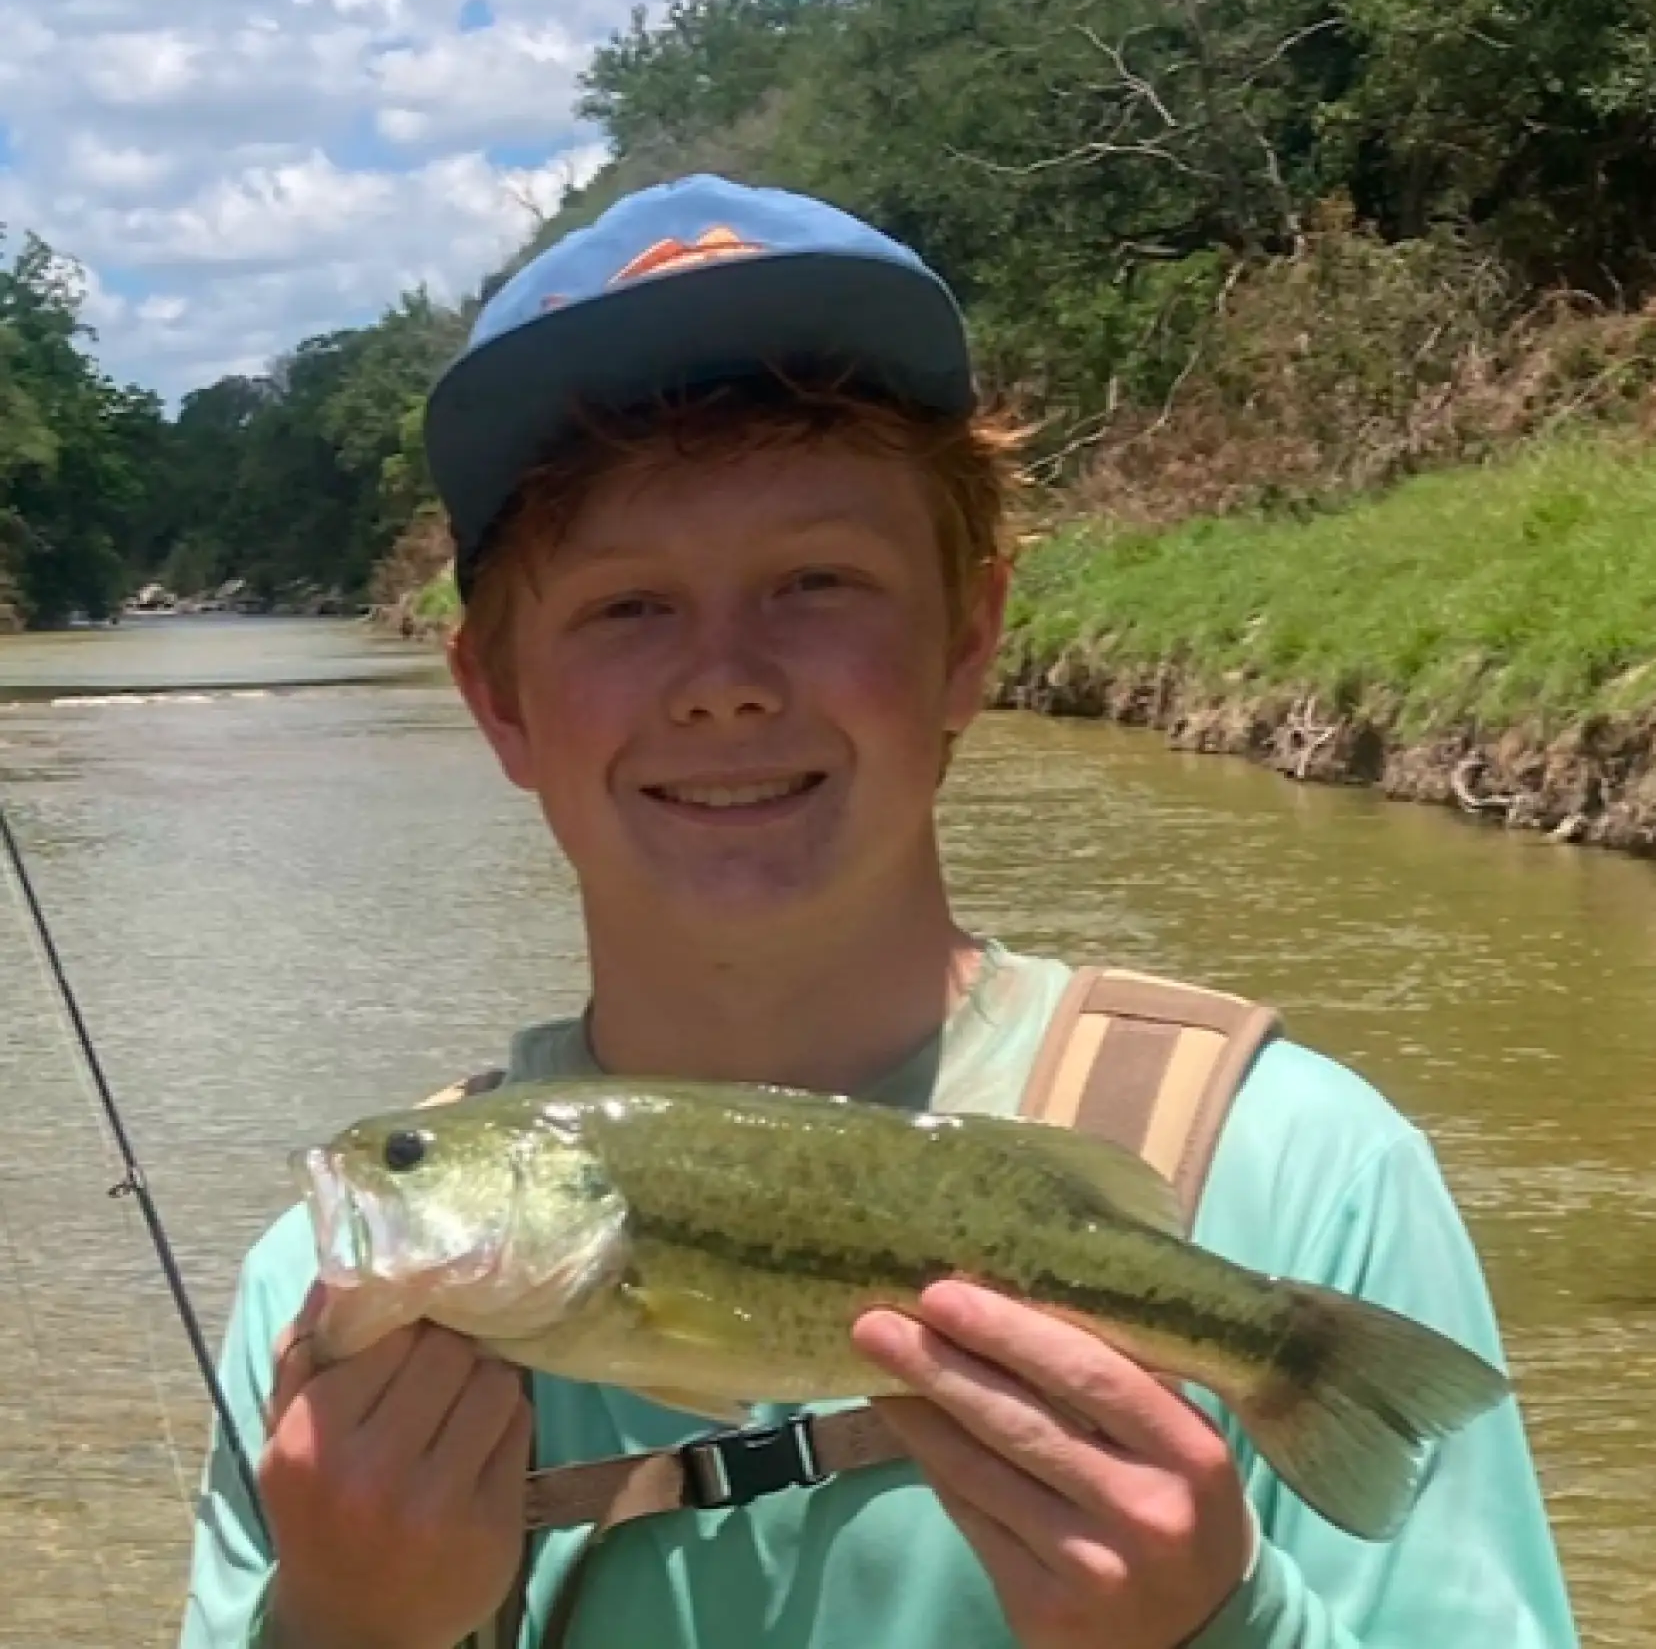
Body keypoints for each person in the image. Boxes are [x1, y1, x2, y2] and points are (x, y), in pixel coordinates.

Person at [179, 173, 1579, 1649]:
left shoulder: (1299, 1174)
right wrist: (339, 1627)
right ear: (496, 699)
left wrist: (1217, 1626)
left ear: (968, 644)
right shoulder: (328, 1305)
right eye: (627, 608)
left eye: (816, 582)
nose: (724, 676)